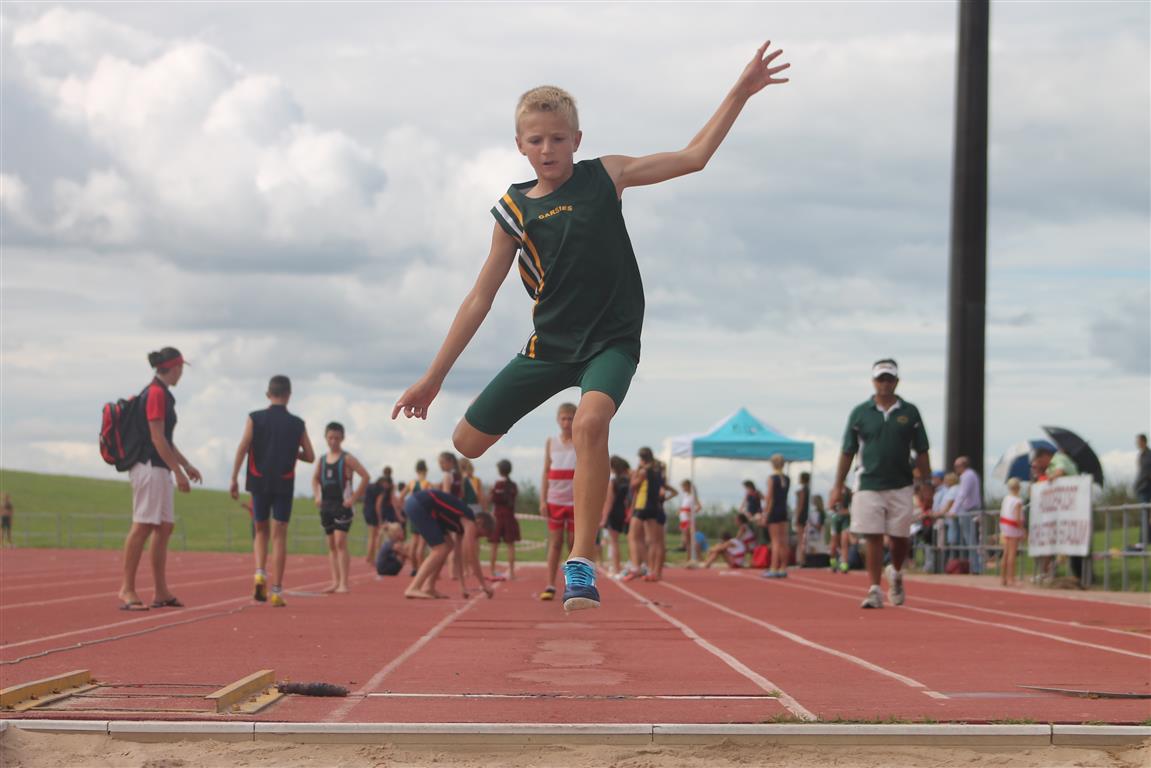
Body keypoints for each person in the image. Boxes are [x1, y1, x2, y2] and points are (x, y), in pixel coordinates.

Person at [391, 44, 792, 612]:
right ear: (520, 145)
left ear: (576, 139)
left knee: (590, 422)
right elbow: (480, 297)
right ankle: (563, 476)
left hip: (611, 341)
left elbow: (694, 157)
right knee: (466, 443)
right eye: (536, 140)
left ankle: (580, 561)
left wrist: (740, 92)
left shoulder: (606, 175)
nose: (547, 149)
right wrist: (433, 378)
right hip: (549, 348)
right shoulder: (514, 210)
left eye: (558, 138)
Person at [829, 359, 932, 609]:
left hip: (901, 483)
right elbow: (847, 451)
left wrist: (927, 484)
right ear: (873, 382)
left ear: (896, 381)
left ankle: (895, 572)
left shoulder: (910, 412)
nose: (884, 383)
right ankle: (874, 588)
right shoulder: (860, 413)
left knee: (899, 538)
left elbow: (922, 450)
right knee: (872, 535)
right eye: (880, 379)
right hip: (868, 483)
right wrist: (838, 486)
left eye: (889, 378)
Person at [119, 347, 202, 611]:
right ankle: (127, 589)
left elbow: (166, 439)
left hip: (159, 467)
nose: (181, 374)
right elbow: (157, 438)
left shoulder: (162, 394)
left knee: (164, 526)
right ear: (175, 367)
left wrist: (185, 465)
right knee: (142, 525)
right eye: (181, 369)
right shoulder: (155, 393)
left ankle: (161, 591)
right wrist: (178, 472)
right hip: (148, 467)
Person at [228, 374, 315, 607]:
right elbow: (310, 455)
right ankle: (276, 590)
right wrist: (293, 452)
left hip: (258, 480)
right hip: (284, 482)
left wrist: (234, 478)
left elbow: (243, 447)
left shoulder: (255, 418)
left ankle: (259, 573)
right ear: (289, 395)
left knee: (260, 530)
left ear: (268, 394)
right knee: (279, 535)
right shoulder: (297, 424)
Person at [311, 422, 370, 594]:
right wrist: (317, 495)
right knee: (331, 544)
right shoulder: (322, 460)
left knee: (340, 542)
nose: (333, 441)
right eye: (330, 438)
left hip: (343, 505)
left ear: (342, 438)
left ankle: (344, 583)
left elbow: (365, 476)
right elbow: (315, 479)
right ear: (325, 438)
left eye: (337, 438)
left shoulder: (347, 458)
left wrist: (354, 498)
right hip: (326, 506)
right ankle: (335, 581)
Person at [402, 489, 492, 600]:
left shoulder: (462, 527)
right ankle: (413, 587)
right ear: (479, 522)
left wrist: (462, 587)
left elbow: (458, 556)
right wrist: (484, 585)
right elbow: (472, 557)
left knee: (448, 545)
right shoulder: (470, 522)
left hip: (423, 506)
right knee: (440, 548)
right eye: (480, 534)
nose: (477, 538)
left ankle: (429, 586)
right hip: (420, 504)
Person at [538, 403, 577, 601]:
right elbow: (546, 470)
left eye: (570, 418)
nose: (566, 422)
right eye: (563, 418)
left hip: (575, 501)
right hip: (555, 499)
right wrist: (542, 499)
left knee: (573, 543)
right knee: (555, 543)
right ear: (557, 420)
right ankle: (550, 584)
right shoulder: (551, 442)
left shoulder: (580, 440)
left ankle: (573, 585)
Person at [632, 447, 675, 582]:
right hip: (656, 507)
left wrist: (637, 471)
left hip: (646, 506)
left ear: (642, 459)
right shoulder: (659, 473)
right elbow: (665, 490)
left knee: (646, 540)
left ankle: (649, 569)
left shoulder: (644, 471)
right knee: (656, 542)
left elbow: (633, 485)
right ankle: (655, 571)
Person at [487, 459, 520, 580]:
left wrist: (491, 492)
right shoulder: (513, 485)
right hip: (509, 518)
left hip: (497, 518)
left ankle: (492, 571)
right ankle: (512, 573)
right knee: (511, 545)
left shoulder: (496, 485)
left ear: (499, 470)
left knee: (494, 545)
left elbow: (491, 499)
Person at [951, 456, 984, 573]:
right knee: (971, 539)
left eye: (956, 466)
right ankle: (975, 567)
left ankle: (976, 567)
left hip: (969, 510)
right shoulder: (971, 475)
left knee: (970, 539)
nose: (955, 468)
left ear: (962, 466)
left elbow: (962, 494)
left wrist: (953, 510)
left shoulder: (967, 476)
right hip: (970, 509)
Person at [761, 454, 791, 579]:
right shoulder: (787, 479)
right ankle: (783, 567)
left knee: (775, 541)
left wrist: (765, 514)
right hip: (784, 510)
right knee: (783, 541)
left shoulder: (772, 478)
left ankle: (773, 567)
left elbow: (770, 498)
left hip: (774, 511)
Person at [601, 455, 631, 576]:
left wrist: (604, 519)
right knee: (631, 540)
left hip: (615, 513)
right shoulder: (629, 482)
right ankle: (630, 564)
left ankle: (616, 568)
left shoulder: (613, 483)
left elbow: (609, 502)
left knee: (614, 542)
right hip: (626, 512)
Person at [999, 478, 1025, 586]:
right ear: (1018, 488)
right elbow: (1018, 518)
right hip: (1013, 527)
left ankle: (1003, 578)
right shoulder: (1018, 501)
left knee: (1006, 553)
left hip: (1004, 525)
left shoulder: (1006, 498)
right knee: (1012, 554)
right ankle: (1011, 578)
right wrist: (1023, 530)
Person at [827, 487, 852, 573]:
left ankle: (844, 563)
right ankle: (833, 562)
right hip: (836, 518)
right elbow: (830, 506)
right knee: (834, 543)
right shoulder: (834, 490)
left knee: (844, 541)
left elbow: (852, 504)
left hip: (846, 518)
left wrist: (848, 511)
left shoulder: (848, 490)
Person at [677, 479, 702, 557]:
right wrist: (680, 510)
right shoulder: (685, 496)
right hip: (683, 519)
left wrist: (692, 513)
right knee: (687, 540)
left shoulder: (692, 496)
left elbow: (699, 507)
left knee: (692, 539)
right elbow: (684, 506)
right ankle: (689, 557)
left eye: (683, 487)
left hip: (688, 519)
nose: (682, 488)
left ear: (687, 486)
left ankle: (699, 557)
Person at [793, 472, 811, 567]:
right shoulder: (809, 489)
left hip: (802, 517)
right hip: (806, 516)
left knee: (801, 540)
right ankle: (802, 559)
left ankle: (801, 560)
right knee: (803, 539)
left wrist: (797, 517)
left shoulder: (803, 491)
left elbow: (800, 504)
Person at [1136, 434, 1150, 548]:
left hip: (1147, 487)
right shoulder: (1141, 455)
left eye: (1138, 441)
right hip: (1141, 487)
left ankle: (1143, 540)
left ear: (1144, 441)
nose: (1137, 443)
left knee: (1145, 514)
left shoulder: (1149, 455)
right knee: (1144, 514)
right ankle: (1145, 539)